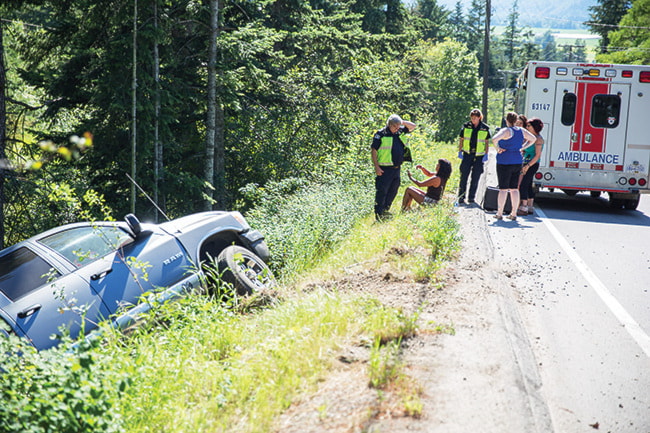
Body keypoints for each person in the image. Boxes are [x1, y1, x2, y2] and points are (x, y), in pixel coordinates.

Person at [491, 112, 537, 221]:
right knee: (514, 189)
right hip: (517, 161)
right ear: (516, 120)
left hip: (504, 161)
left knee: (503, 189)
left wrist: (497, 149)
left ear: (506, 120)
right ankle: (513, 213)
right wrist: (522, 147)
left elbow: (494, 139)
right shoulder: (521, 131)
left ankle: (499, 213)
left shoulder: (506, 131)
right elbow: (533, 139)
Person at [371, 114, 417, 220]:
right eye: (395, 127)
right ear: (389, 124)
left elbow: (413, 126)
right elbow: (374, 151)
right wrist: (376, 167)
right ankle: (379, 215)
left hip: (396, 168)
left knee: (393, 190)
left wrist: (402, 122)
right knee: (382, 192)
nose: (397, 129)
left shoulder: (399, 131)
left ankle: (385, 211)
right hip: (384, 169)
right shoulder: (381, 134)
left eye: (398, 127)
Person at [457, 109, 490, 205]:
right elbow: (462, 140)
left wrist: (486, 154)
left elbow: (486, 143)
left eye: (475, 118)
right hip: (467, 154)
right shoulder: (466, 126)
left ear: (479, 117)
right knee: (464, 176)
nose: (473, 120)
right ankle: (461, 196)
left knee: (475, 177)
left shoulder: (485, 128)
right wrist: (460, 151)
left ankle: (471, 197)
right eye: (472, 118)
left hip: (479, 156)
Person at [518, 117, 544, 215]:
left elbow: (537, 155)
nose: (527, 127)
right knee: (528, 184)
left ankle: (524, 207)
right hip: (526, 162)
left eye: (529, 126)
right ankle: (530, 206)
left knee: (524, 184)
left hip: (532, 164)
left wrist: (527, 166)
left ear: (535, 127)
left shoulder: (538, 139)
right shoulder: (530, 137)